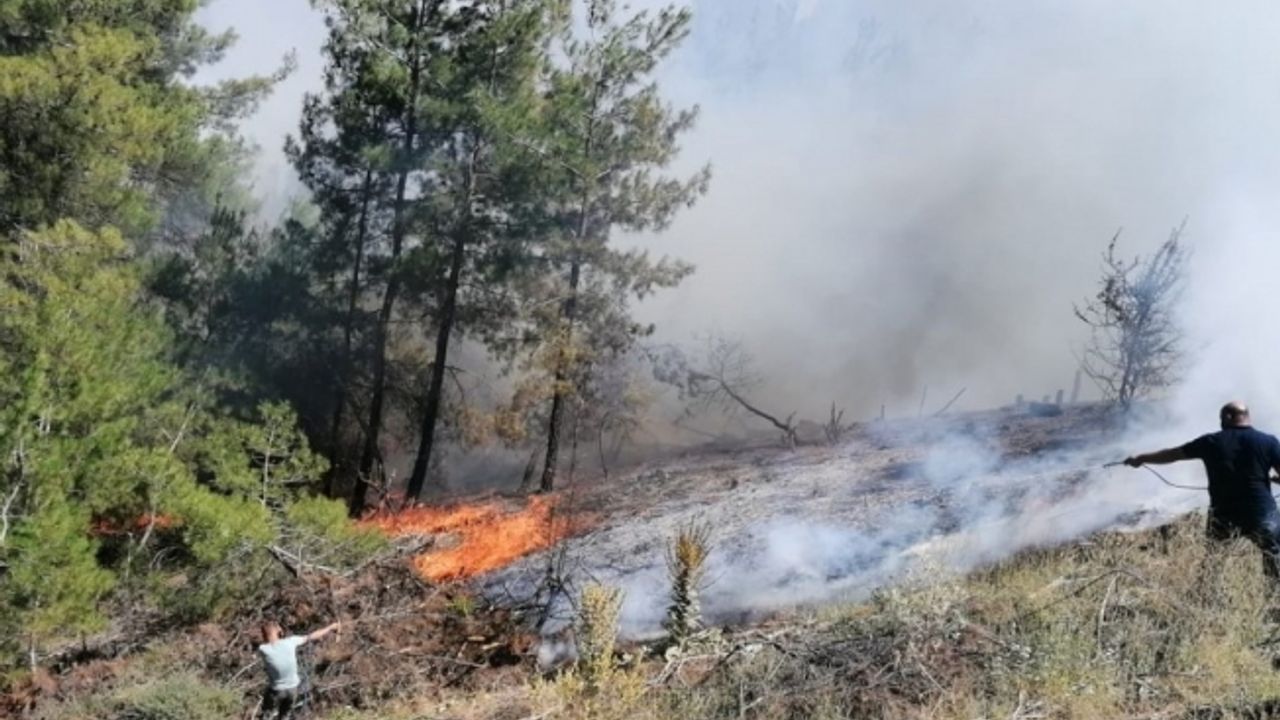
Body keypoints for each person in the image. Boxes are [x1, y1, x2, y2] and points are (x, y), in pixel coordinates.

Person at [1124, 401, 1280, 581]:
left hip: (1224, 513)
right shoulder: (1269, 442)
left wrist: (1141, 459)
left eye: (1221, 418)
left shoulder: (1211, 441)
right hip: (1261, 513)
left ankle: (1209, 599)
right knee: (1273, 556)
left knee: (1214, 562)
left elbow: (1173, 454)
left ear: (1228, 417)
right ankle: (1273, 602)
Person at [257, 619, 341, 719]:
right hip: (293, 689)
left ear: (264, 635)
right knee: (284, 716)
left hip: (276, 691)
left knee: (266, 715)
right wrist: (331, 627)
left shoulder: (263, 649)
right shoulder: (291, 641)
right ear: (279, 632)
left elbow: (269, 641)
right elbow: (312, 636)